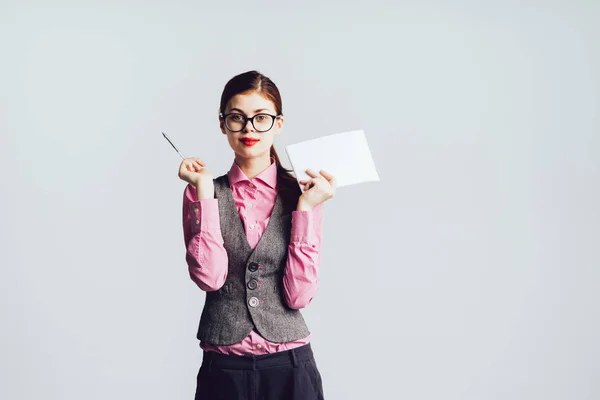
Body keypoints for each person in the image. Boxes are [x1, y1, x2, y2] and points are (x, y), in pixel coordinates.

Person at [178, 70, 336, 399]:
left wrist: (305, 210)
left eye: (261, 117)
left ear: (278, 124)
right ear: (223, 124)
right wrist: (205, 192)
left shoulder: (303, 195)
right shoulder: (201, 193)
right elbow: (210, 277)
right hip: (224, 369)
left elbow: (300, 295)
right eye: (237, 117)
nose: (249, 128)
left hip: (290, 368)